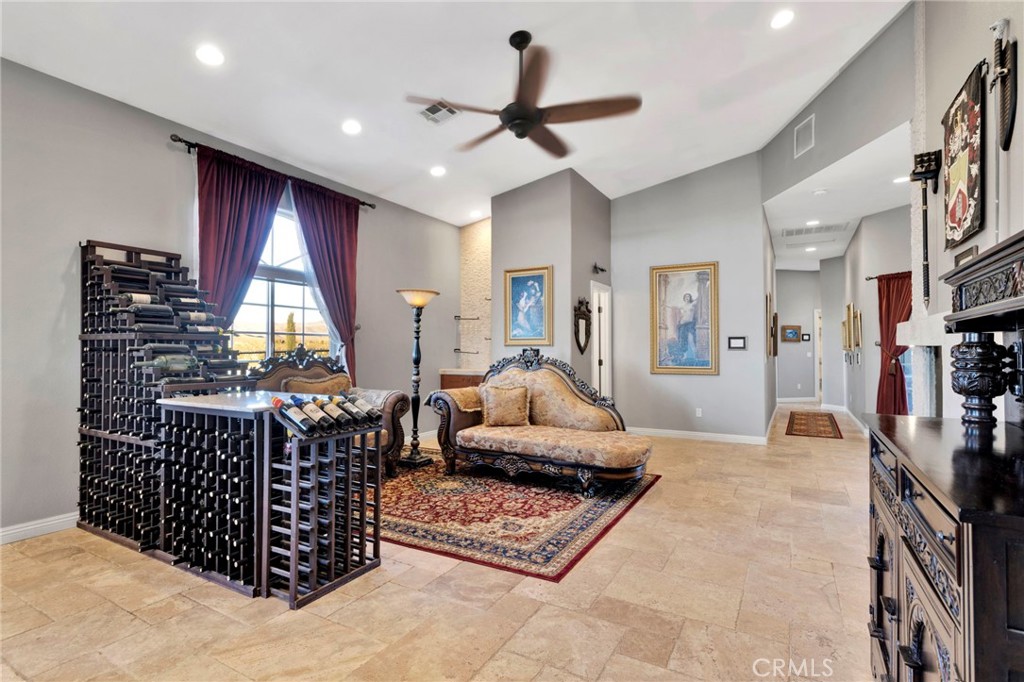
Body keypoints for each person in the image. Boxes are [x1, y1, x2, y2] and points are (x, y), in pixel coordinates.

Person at [676, 293, 697, 358]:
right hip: (683, 324)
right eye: (686, 297)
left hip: (690, 324)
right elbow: (676, 307)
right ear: (684, 298)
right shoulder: (683, 306)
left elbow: (698, 300)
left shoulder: (692, 304)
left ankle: (695, 355)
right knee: (683, 340)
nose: (687, 298)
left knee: (691, 340)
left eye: (688, 296)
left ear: (690, 298)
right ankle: (684, 356)